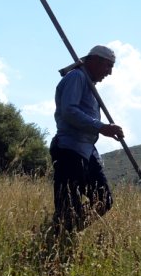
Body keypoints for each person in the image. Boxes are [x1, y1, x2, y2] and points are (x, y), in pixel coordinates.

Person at [49, 45, 124, 245]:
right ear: (95, 61)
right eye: (108, 66)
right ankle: (61, 235)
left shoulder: (89, 84)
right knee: (67, 205)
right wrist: (101, 127)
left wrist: (105, 129)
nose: (110, 72)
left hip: (87, 151)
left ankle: (67, 233)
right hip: (69, 150)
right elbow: (69, 111)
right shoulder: (77, 78)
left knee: (103, 200)